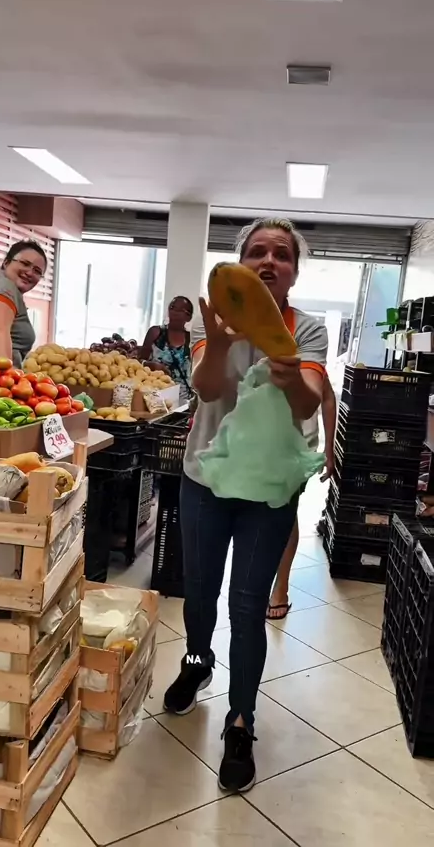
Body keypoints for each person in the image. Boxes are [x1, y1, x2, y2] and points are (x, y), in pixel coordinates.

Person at [163, 217, 328, 793]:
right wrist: (220, 343)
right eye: (257, 251)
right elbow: (209, 389)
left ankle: (241, 721)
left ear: (294, 272)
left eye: (282, 254)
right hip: (204, 479)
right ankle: (196, 663)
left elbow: (307, 405)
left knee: (248, 603)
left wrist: (289, 373)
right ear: (241, 264)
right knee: (199, 590)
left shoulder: (306, 329)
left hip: (269, 489)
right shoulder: (214, 318)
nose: (269, 261)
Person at [266, 374, 337, 620]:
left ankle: (281, 586)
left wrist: (329, 449)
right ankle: (258, 579)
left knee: (285, 511)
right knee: (263, 512)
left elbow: (327, 397)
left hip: (298, 450)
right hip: (258, 447)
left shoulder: (307, 356)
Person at [139, 296, 194, 402]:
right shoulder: (155, 333)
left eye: (180, 310)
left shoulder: (191, 339)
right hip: (155, 399)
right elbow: (138, 362)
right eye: (172, 307)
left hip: (184, 401)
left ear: (188, 317)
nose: (174, 312)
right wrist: (151, 365)